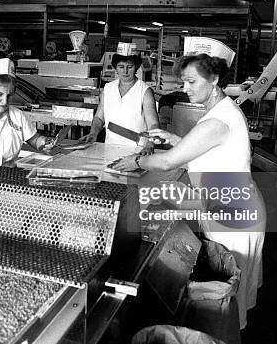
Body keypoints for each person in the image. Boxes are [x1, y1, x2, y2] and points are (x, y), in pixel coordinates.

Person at [112, 53, 265, 330]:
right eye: (183, 82)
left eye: (192, 81)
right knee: (229, 292)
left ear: (215, 79)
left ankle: (228, 334)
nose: (186, 88)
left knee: (230, 300)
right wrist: (174, 139)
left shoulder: (218, 120)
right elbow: (207, 148)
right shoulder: (221, 111)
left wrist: (135, 161)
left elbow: (170, 161)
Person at [79, 53, 159, 154]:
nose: (125, 71)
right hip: (109, 148)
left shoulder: (144, 91)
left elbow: (153, 124)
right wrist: (93, 133)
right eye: (121, 67)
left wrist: (150, 144)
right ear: (115, 68)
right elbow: (99, 117)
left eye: (129, 67)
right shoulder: (108, 89)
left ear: (136, 68)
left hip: (137, 150)